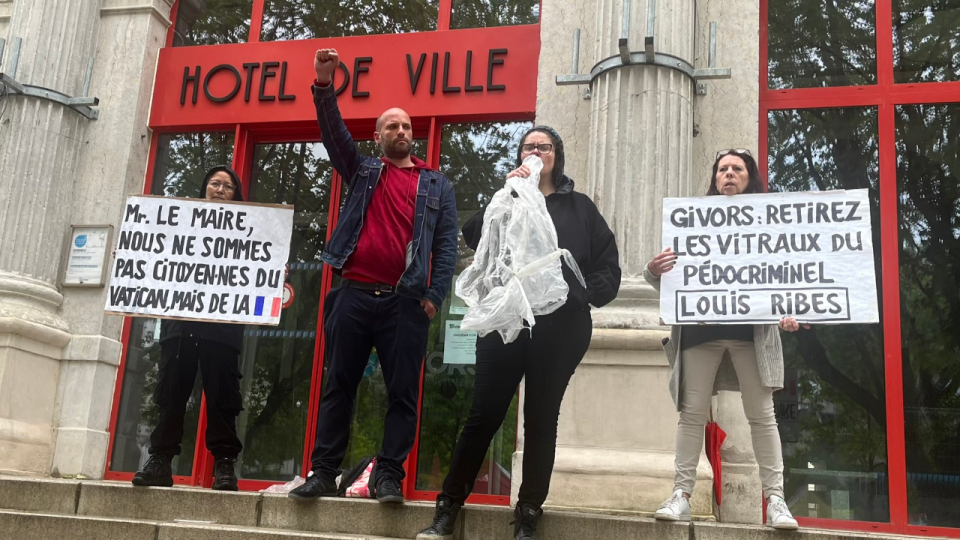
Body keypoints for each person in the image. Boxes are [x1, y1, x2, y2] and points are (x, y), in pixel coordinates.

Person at [417, 126, 621, 540]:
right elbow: (474, 235)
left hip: (560, 327)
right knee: (483, 416)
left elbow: (608, 267)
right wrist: (508, 193)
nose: (537, 151)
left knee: (542, 420)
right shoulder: (508, 197)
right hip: (505, 324)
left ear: (556, 156)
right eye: (530, 146)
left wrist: (582, 296)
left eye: (544, 146)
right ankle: (448, 508)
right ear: (521, 155)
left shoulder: (579, 207)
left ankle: (528, 513)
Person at [289, 48, 459, 503]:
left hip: (406, 302)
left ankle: (388, 476)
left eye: (406, 125)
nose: (401, 131)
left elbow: (445, 247)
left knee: (402, 393)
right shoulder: (363, 170)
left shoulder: (436, 185)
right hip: (354, 296)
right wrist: (324, 84)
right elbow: (333, 134)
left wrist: (434, 297)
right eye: (392, 126)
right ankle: (323, 471)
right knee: (338, 384)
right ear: (379, 135)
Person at [644, 149, 802, 529]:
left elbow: (788, 276)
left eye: (737, 169)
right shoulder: (691, 222)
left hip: (753, 335)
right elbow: (665, 281)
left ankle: (775, 500)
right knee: (691, 414)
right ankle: (681, 494)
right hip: (701, 334)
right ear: (714, 178)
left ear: (750, 178)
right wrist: (652, 270)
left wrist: (792, 309)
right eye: (722, 169)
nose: (729, 174)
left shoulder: (769, 224)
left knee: (762, 417)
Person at [132, 165, 247, 491]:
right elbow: (153, 260)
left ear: (237, 196)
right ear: (204, 189)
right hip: (179, 329)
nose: (220, 189)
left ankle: (224, 466)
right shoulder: (177, 227)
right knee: (170, 394)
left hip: (221, 331)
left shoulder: (248, 234)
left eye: (228, 186)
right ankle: (160, 461)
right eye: (214, 183)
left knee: (224, 398)